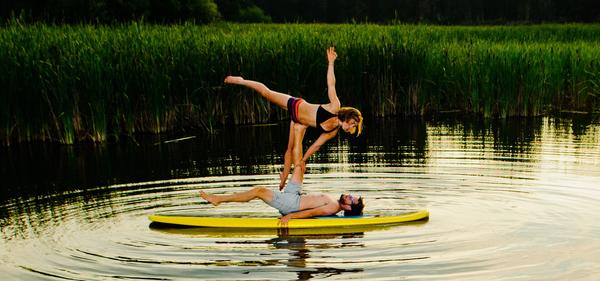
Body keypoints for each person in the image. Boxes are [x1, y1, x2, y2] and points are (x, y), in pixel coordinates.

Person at [224, 47, 363, 190]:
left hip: (299, 122)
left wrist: (303, 160)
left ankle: (284, 178)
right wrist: (331, 63)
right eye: (352, 124)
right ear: (347, 117)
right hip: (295, 105)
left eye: (353, 126)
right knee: (266, 93)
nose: (351, 128)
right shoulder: (335, 107)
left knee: (290, 149)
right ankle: (241, 81)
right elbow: (331, 84)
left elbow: (316, 145)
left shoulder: (332, 131)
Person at [199, 123, 364, 227]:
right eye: (352, 195)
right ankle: (298, 130)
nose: (349, 195)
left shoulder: (334, 207)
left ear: (348, 208)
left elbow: (311, 213)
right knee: (300, 165)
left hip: (291, 205)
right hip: (295, 197)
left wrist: (290, 217)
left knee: (259, 191)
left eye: (352, 199)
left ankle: (218, 199)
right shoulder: (334, 202)